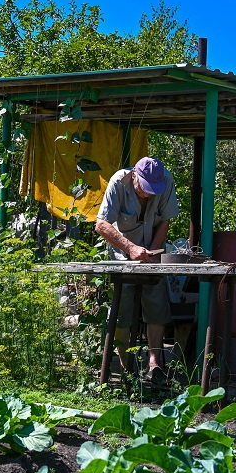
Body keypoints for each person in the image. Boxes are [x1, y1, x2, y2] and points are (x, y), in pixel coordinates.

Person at [94, 156, 179, 384]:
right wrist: (131, 248)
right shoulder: (117, 183)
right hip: (123, 254)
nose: (150, 193)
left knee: (156, 305)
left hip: (151, 254)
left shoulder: (166, 181)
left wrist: (151, 253)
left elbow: (165, 221)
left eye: (154, 189)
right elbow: (101, 224)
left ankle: (154, 366)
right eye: (145, 188)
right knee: (122, 310)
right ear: (134, 176)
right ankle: (125, 368)